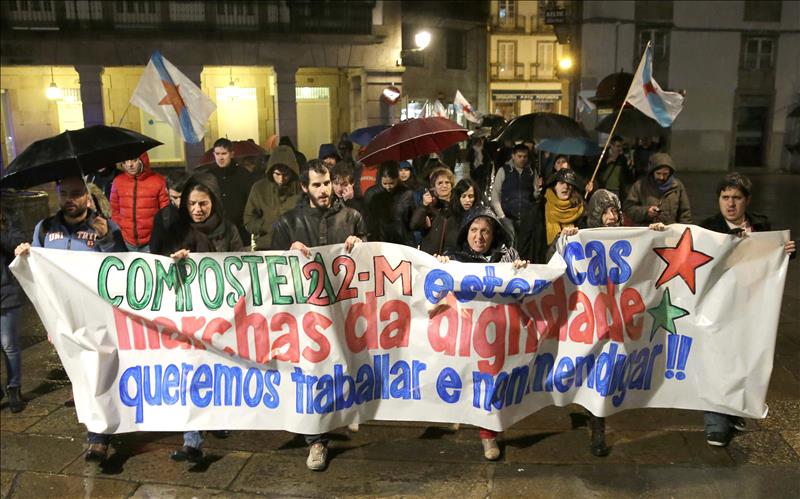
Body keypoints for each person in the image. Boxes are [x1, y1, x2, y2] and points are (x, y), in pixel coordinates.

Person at [14, 175, 126, 462]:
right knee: (80, 375)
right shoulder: (45, 228)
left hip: (96, 314)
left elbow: (121, 266)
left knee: (96, 371)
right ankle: (99, 423)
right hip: (62, 317)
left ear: (88, 197)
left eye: (77, 193)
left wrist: (106, 239)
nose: (70, 200)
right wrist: (25, 255)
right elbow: (37, 268)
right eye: (65, 193)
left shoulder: (104, 225)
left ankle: (98, 437)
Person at [270, 160, 366, 471]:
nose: (324, 190)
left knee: (345, 364)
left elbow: (371, 263)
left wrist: (360, 245)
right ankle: (316, 440)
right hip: (306, 316)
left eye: (327, 184)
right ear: (304, 187)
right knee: (313, 372)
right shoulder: (287, 223)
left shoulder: (352, 217)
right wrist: (289, 254)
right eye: (317, 185)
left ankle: (346, 414)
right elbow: (272, 270)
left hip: (344, 310)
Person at [699, 172, 795, 447]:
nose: (730, 204)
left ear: (747, 200)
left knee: (746, 357)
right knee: (718, 359)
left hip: (752, 307)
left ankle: (734, 410)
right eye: (725, 197)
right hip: (719, 308)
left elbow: (772, 257)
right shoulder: (708, 228)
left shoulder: (762, 226)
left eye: (736, 198)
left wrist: (786, 250)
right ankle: (715, 420)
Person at [159, 173, 246, 464]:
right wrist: (173, 262)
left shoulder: (229, 230)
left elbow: (241, 266)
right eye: (192, 203)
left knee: (218, 371)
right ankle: (192, 440)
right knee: (190, 373)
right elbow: (155, 268)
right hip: (188, 318)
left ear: (214, 203)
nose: (197, 209)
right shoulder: (176, 230)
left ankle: (218, 418)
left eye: (203, 203)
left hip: (222, 318)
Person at [435, 206, 528, 460]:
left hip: (492, 337)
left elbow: (523, 293)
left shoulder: (507, 257)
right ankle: (458, 414)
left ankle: (488, 436)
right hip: (460, 337)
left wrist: (521, 270)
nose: (479, 237)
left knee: (489, 384)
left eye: (485, 231)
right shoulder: (452, 257)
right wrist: (438, 265)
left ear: (494, 234)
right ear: (466, 232)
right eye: (474, 230)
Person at [244, 145, 301, 250]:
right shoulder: (259, 188)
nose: (281, 179)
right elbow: (248, 220)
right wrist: (266, 225)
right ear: (271, 171)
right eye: (277, 174)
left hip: (294, 247)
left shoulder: (301, 188)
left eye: (286, 175)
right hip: (266, 247)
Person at [110, 153, 169, 252]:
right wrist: (121, 229)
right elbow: (113, 210)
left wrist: (159, 234)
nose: (129, 165)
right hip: (126, 241)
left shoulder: (159, 181)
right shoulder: (118, 181)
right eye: (125, 162)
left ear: (142, 160)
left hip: (152, 241)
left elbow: (166, 213)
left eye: (133, 160)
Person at [490, 143, 542, 256]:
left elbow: (535, 196)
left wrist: (538, 189)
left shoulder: (531, 172)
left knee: (524, 247)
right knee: (510, 245)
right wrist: (502, 216)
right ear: (513, 156)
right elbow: (495, 194)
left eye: (525, 156)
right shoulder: (504, 170)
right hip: (508, 216)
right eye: (519, 156)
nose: (522, 159)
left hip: (526, 217)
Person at [200, 138, 255, 244]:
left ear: (231, 154)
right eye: (217, 154)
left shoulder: (243, 175)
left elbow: (250, 201)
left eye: (224, 153)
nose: (220, 157)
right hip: (215, 229)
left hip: (240, 229)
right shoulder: (208, 175)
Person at [1, 206, 27, 413]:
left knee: (9, 345)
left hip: (6, 294)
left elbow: (18, 245)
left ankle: (14, 388)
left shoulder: (8, 219)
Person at [623, 152, 692, 226]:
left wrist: (685, 230)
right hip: (647, 231)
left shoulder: (677, 186)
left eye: (665, 174)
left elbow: (685, 213)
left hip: (669, 231)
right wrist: (646, 212)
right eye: (658, 173)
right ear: (652, 172)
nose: (661, 177)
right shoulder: (639, 186)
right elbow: (629, 209)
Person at [363, 161, 416, 246]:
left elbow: (412, 221)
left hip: (402, 242)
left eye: (391, 183)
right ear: (380, 179)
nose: (388, 187)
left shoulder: (406, 194)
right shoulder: (371, 194)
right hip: (378, 241)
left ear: (397, 179)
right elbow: (367, 220)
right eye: (385, 183)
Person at [410, 167, 458, 255]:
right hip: (430, 258)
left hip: (451, 258)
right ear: (434, 186)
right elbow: (414, 225)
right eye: (439, 183)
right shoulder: (429, 207)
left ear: (452, 185)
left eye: (447, 182)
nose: (444, 185)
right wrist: (424, 206)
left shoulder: (458, 206)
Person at [542, 168, 585, 251]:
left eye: (569, 184)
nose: (565, 187)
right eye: (561, 183)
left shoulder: (582, 210)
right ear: (554, 186)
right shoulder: (540, 209)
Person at [149, 170, 188, 256]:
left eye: (183, 196)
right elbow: (155, 250)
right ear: (166, 191)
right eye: (175, 197)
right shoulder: (162, 217)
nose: (179, 202)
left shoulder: (198, 213)